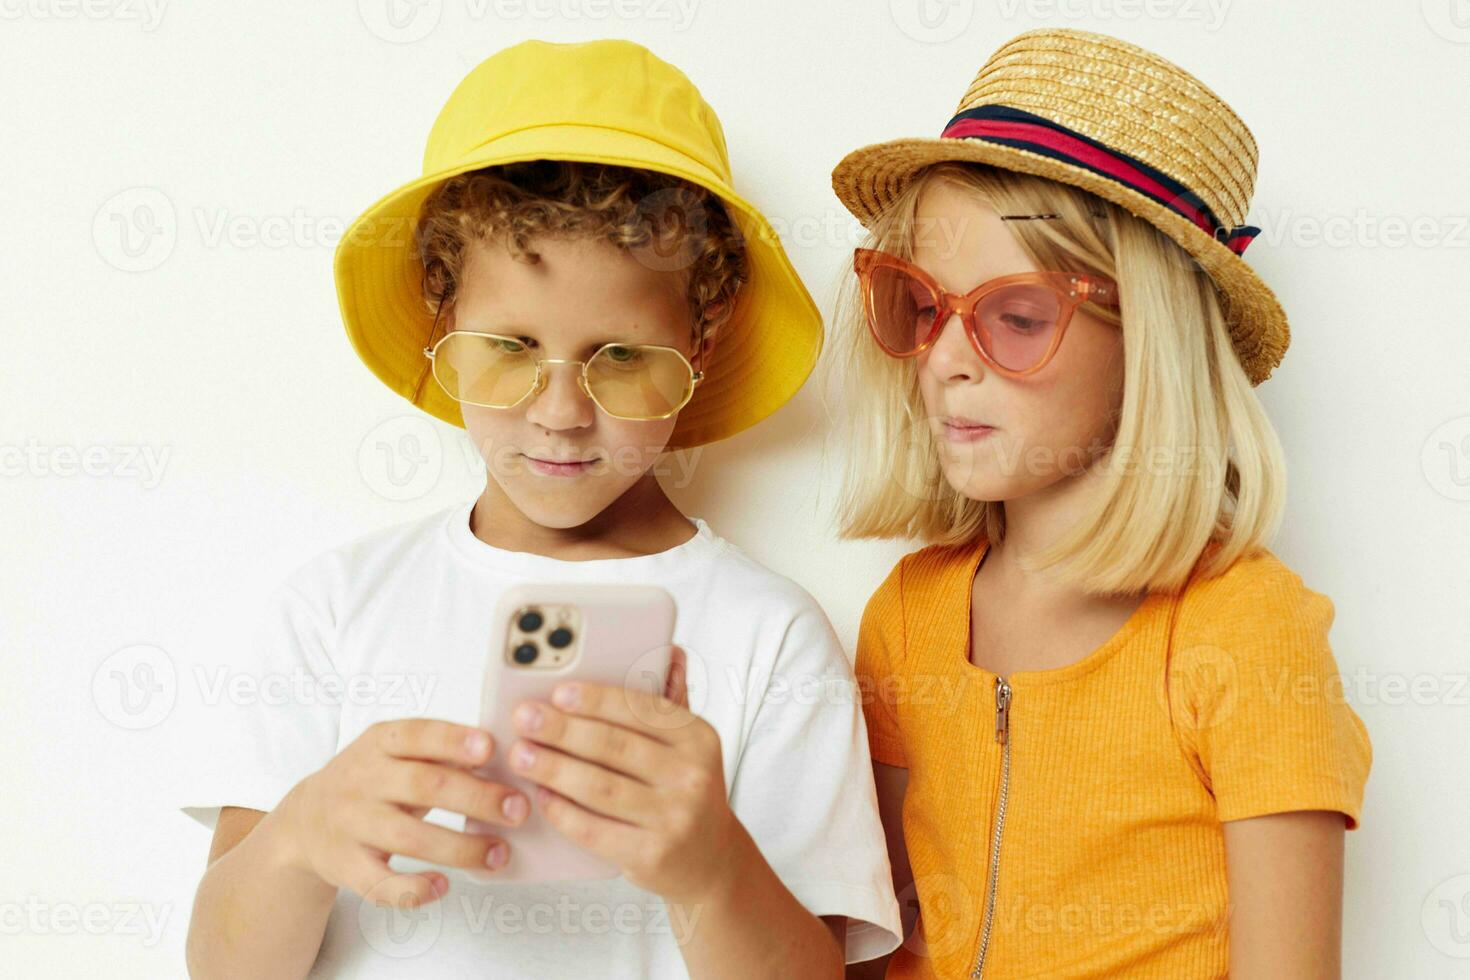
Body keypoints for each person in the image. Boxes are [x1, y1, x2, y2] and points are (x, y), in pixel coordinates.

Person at [181, 38, 900, 979]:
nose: (561, 416)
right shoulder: (335, 607)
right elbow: (223, 966)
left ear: (703, 343)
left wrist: (711, 872)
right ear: (442, 319)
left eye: (624, 357)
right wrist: (298, 841)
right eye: (510, 346)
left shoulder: (772, 638)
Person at [829, 27, 1372, 979]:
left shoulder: (1246, 632)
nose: (948, 359)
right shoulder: (909, 615)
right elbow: (867, 941)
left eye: (1017, 316)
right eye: (922, 304)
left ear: (1149, 345)